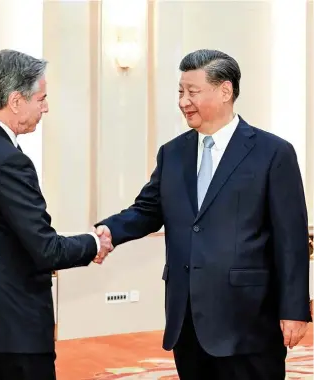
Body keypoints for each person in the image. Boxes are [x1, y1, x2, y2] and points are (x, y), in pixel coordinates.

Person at [93, 49, 311, 379]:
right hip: (188, 319)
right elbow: (147, 210)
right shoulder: (173, 153)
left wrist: (294, 309)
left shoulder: (273, 153)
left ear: (225, 91)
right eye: (180, 91)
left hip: (249, 320)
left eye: (192, 92)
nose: (183, 101)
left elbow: (291, 239)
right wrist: (108, 232)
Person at [0, 49, 112, 380]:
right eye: (41, 98)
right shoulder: (9, 160)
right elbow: (45, 249)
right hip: (15, 326)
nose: (46, 107)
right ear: (15, 101)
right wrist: (94, 243)